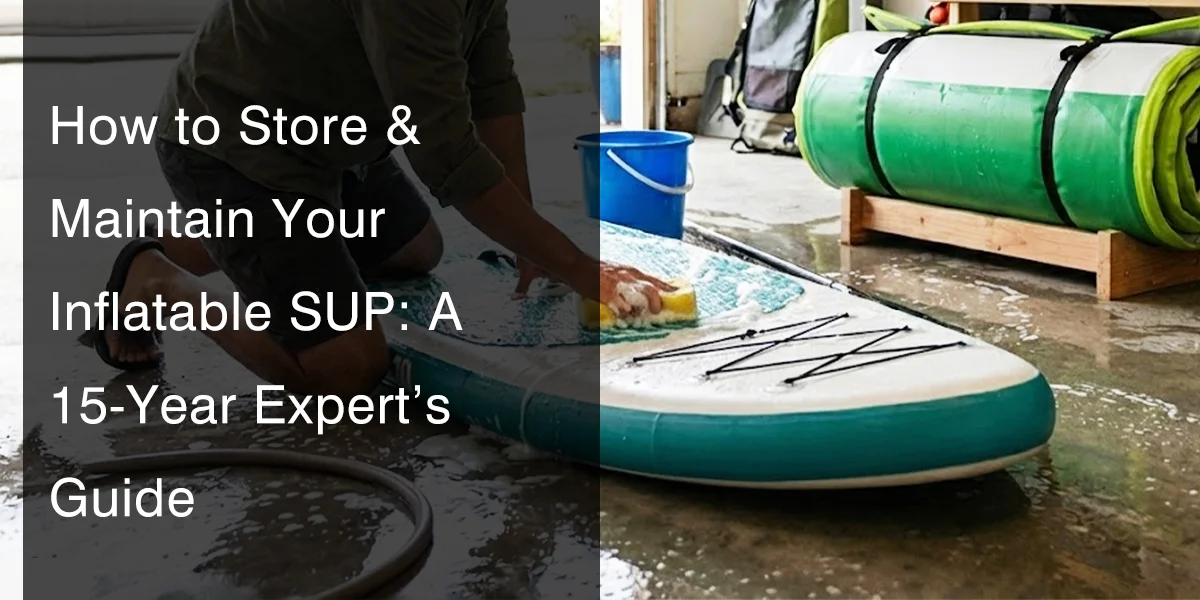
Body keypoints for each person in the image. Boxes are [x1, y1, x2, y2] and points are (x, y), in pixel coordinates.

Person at [92, 0, 673, 398]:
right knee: (346, 368)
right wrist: (581, 267)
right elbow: (446, 154)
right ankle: (158, 278)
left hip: (329, 139)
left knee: (416, 250)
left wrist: (535, 243)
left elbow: (491, 88)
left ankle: (235, 239)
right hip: (235, 145)